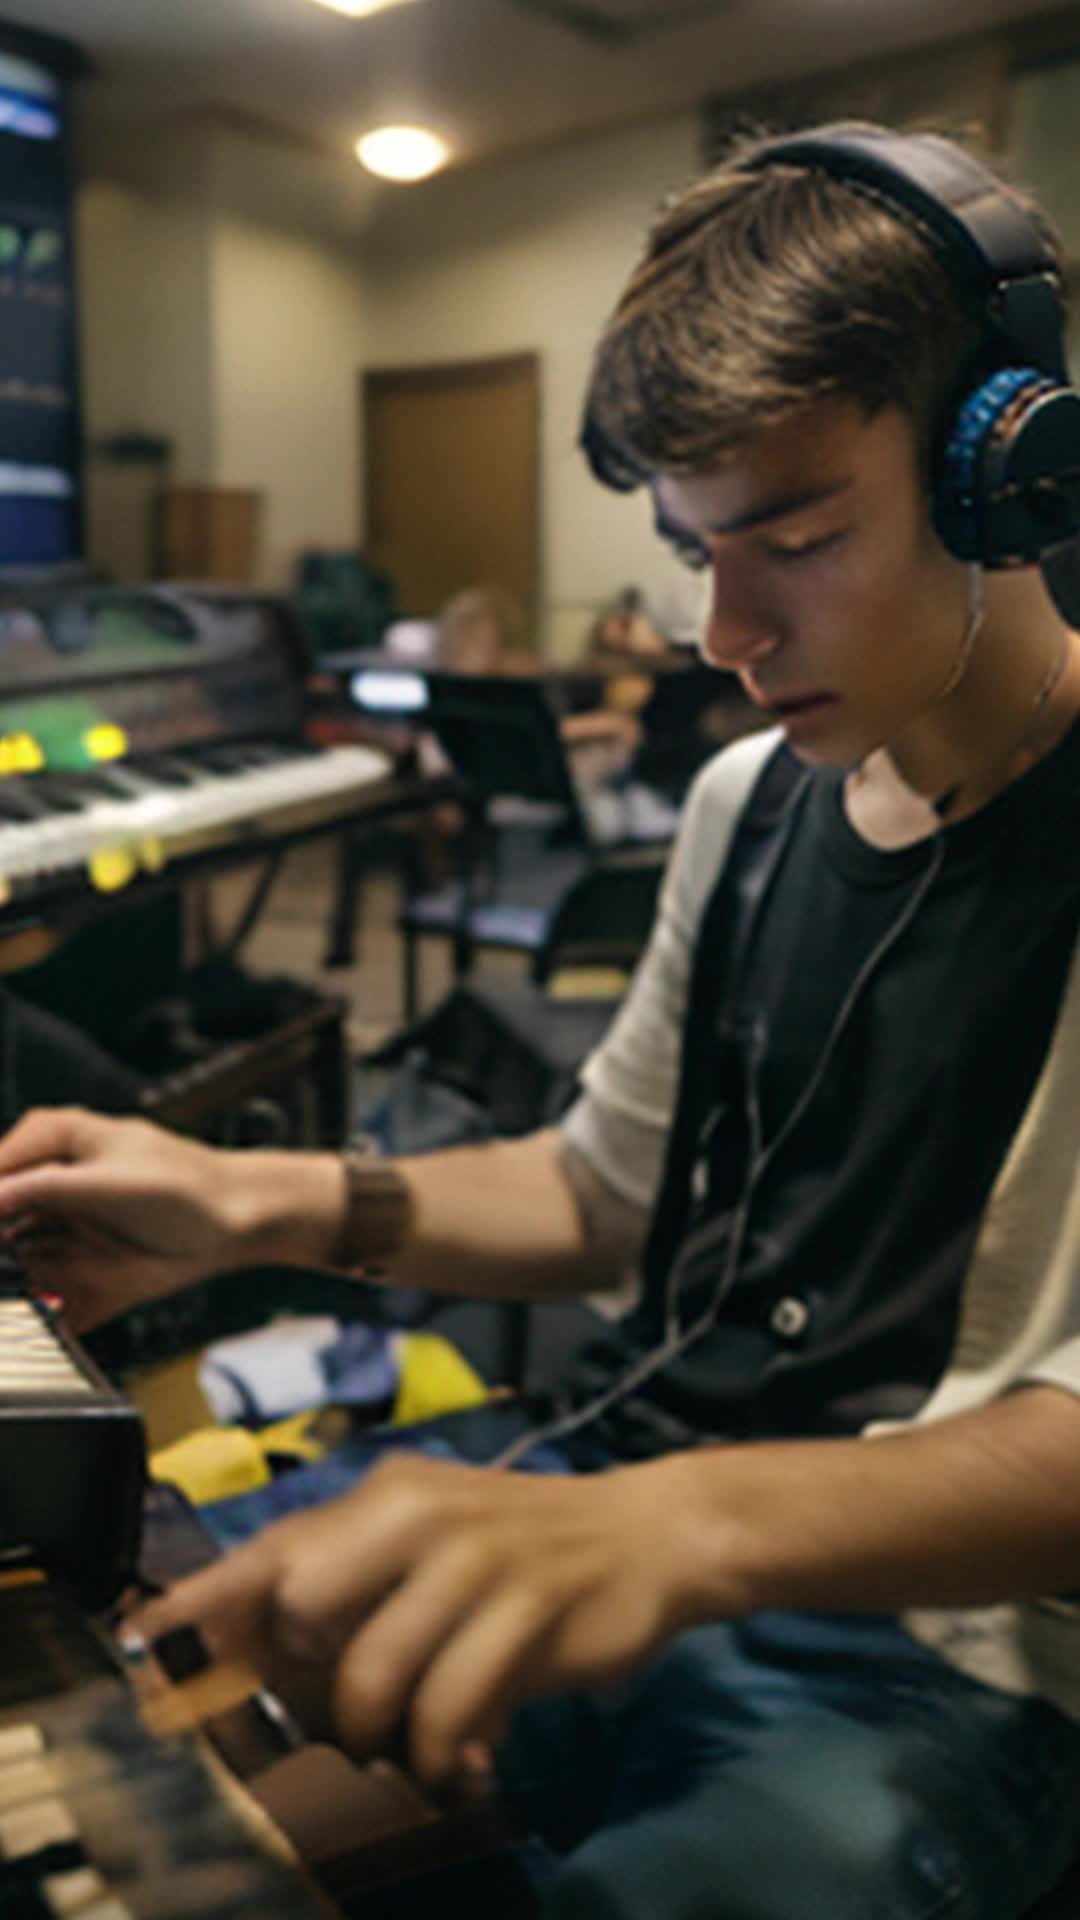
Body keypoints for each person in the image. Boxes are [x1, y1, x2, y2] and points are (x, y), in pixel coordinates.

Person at [7, 120, 1080, 1919]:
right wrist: (253, 1197)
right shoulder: (749, 803)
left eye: (798, 538)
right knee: (97, 1675)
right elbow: (603, 1197)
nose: (723, 630)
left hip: (951, 1664)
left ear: (1010, 479)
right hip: (622, 1505)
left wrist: (675, 1525)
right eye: (691, 551)